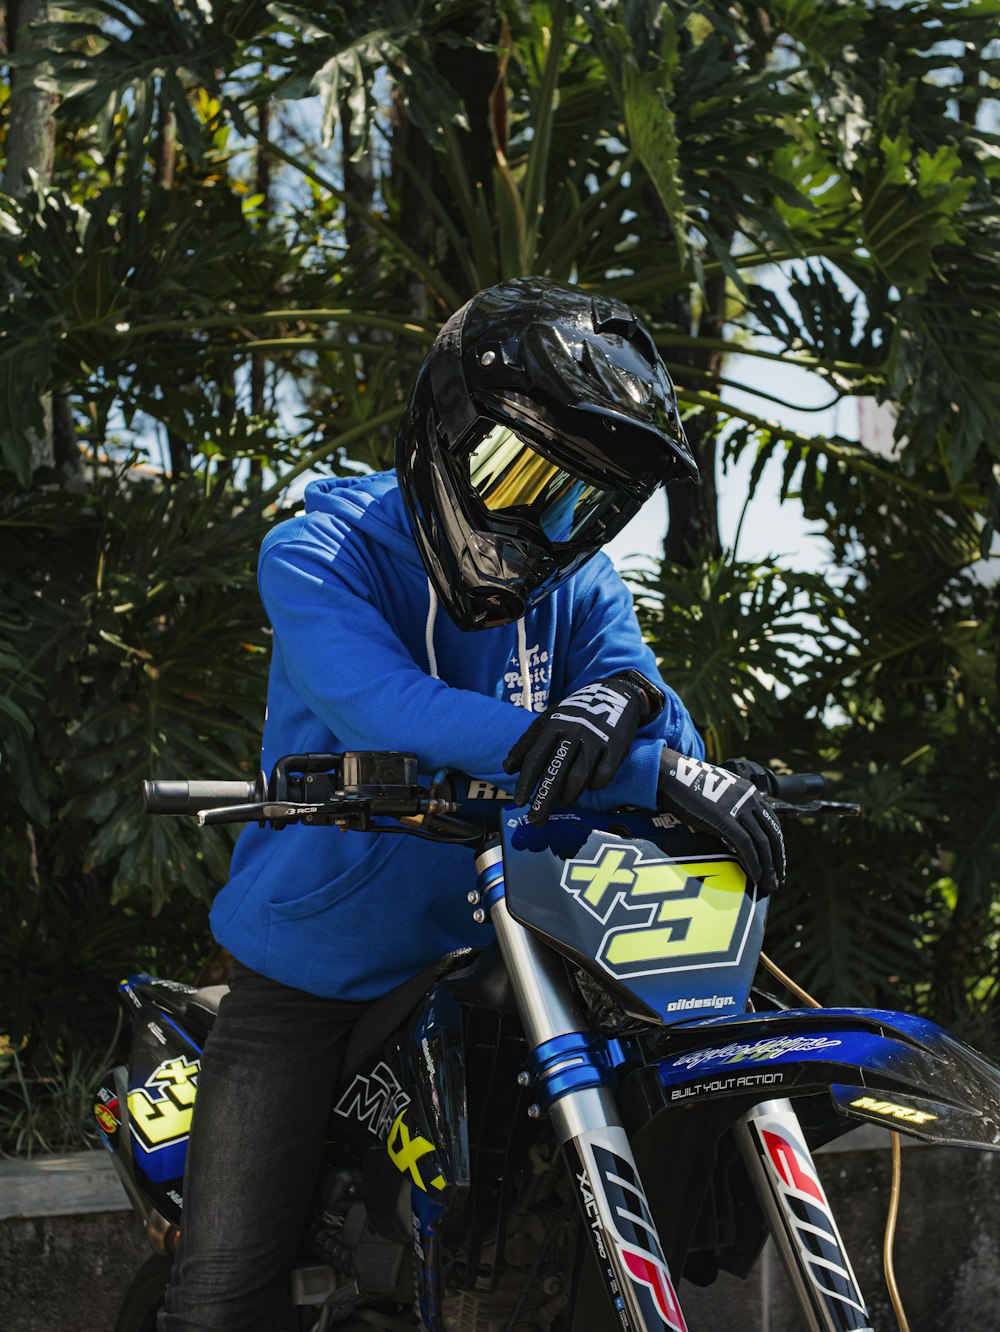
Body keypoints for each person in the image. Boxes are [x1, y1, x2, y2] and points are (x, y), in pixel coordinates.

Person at [160, 276, 785, 1331]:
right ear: (445, 429)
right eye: (516, 469)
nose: (540, 520)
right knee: (221, 1295)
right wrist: (646, 769)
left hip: (516, 952)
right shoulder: (320, 553)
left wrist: (628, 707)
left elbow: (652, 709)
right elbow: (385, 708)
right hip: (318, 974)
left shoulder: (577, 584)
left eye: (576, 499)